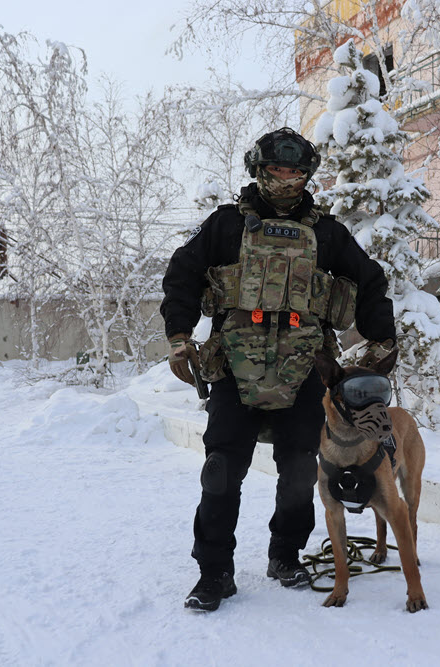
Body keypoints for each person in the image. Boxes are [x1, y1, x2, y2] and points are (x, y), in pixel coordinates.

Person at [160, 127, 397, 611]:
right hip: (233, 364)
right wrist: (179, 338)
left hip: (305, 367)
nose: (286, 179)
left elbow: (370, 279)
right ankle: (214, 572)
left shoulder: (327, 233)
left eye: (295, 171)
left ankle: (285, 553)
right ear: (258, 169)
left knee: (297, 470)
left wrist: (382, 336)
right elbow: (182, 273)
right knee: (220, 472)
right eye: (276, 169)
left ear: (307, 174)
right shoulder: (226, 225)